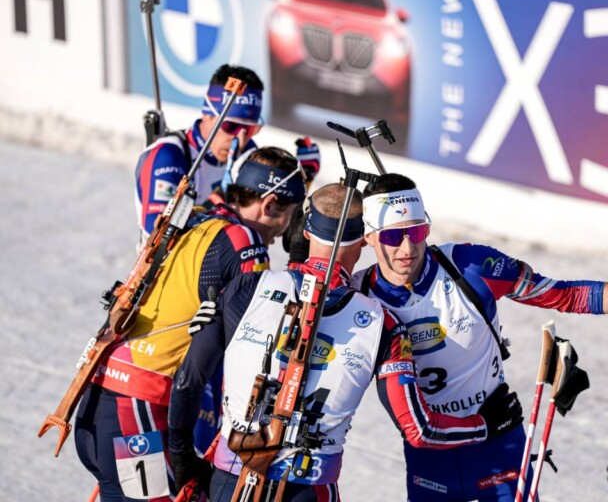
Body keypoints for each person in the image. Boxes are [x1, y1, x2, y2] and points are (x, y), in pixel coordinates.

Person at [351, 173, 608, 502]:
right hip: (430, 453)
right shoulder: (358, 298)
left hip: (499, 441)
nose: (407, 248)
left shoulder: (471, 266)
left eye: (416, 231)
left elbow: (567, 295)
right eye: (393, 236)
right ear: (369, 237)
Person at [166, 183, 522, 501]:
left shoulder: (245, 288)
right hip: (311, 488)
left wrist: (182, 461)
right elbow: (419, 430)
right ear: (366, 239)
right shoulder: (385, 322)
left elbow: (187, 381)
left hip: (232, 477)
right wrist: (486, 424)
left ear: (305, 231)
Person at [74, 147, 305, 502]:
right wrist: (300, 258)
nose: (286, 230)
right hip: (138, 409)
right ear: (270, 204)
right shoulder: (245, 242)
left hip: (100, 398)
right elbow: (258, 337)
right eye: (290, 215)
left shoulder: (198, 217)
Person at [134, 64, 321, 247]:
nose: (240, 137)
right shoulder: (168, 155)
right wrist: (220, 199)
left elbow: (277, 228)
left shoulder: (247, 154)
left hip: (224, 259)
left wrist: (300, 185)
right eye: (231, 126)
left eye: (250, 129)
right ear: (207, 114)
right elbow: (159, 237)